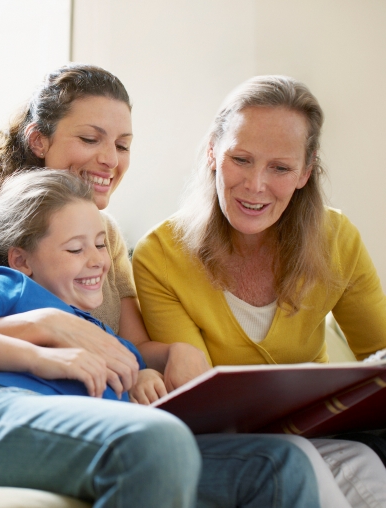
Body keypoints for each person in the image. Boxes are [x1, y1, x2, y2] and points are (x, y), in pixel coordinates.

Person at [0, 168, 319, 507]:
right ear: (22, 260)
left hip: (96, 434)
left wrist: (141, 379)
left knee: (280, 464)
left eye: (100, 244)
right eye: (76, 250)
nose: (97, 260)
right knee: (158, 442)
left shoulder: (108, 339)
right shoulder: (14, 287)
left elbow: (138, 385)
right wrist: (43, 352)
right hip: (2, 406)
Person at [132, 75, 386, 508]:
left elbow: (379, 350)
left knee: (365, 460)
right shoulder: (160, 255)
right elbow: (202, 400)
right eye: (241, 159)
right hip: (234, 446)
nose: (254, 185)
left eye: (280, 168)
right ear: (213, 152)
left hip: (319, 431)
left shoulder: (337, 238)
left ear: (306, 172)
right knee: (303, 457)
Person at [0, 63, 210, 396]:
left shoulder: (107, 234)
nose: (110, 159)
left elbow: (131, 346)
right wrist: (49, 327)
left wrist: (170, 354)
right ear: (38, 140)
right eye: (91, 139)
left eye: (122, 146)